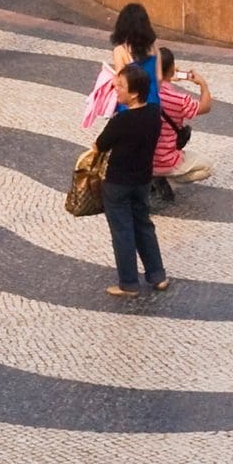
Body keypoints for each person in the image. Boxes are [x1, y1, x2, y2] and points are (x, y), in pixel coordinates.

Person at [88, 64, 173, 298]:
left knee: (123, 231)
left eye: (120, 86)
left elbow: (100, 144)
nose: (116, 89)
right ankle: (158, 275)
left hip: (118, 182)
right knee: (144, 225)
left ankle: (128, 283)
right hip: (143, 180)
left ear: (134, 93)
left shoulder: (122, 120)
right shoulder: (154, 114)